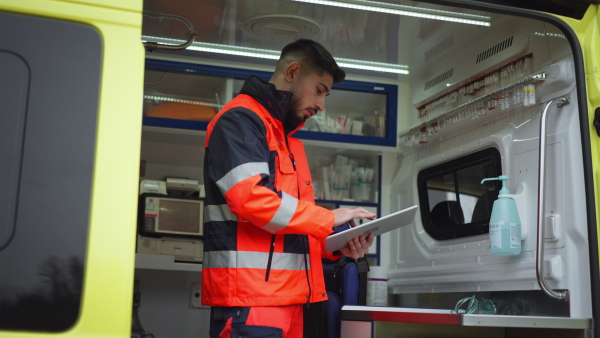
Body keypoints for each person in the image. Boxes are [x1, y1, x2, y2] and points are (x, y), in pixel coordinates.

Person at [201, 38, 376, 338]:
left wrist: (334, 245)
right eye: (319, 90)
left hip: (291, 303)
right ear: (292, 72)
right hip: (251, 304)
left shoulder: (288, 140)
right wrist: (327, 218)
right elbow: (251, 199)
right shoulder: (241, 120)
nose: (321, 105)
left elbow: (286, 227)